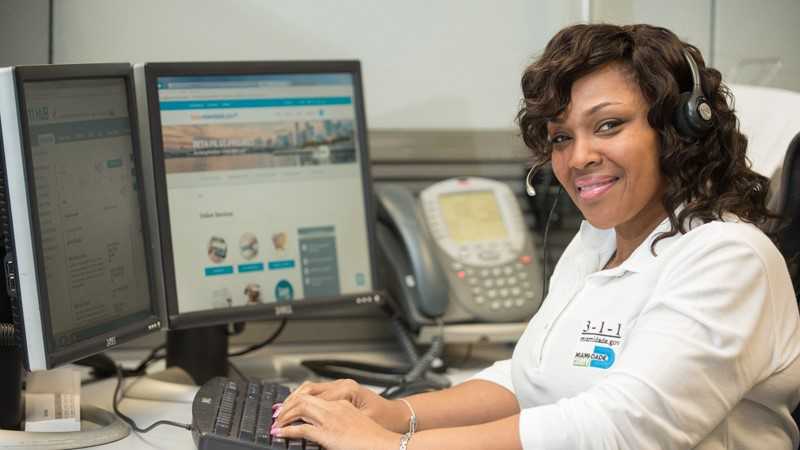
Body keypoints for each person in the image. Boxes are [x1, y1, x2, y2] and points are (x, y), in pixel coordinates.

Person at [272, 23, 800, 449]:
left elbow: (624, 427)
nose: (579, 157)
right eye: (562, 137)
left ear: (678, 131)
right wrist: (395, 413)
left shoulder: (728, 258)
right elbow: (530, 380)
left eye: (609, 125)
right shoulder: (599, 242)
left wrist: (394, 449)